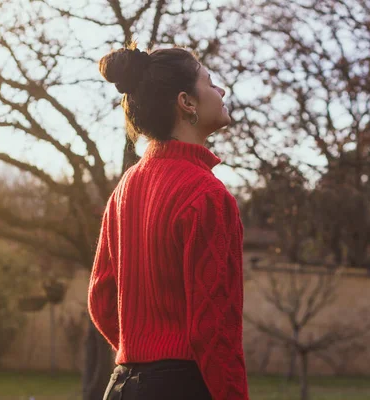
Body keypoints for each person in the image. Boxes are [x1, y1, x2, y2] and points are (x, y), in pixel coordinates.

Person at [88, 43, 249, 400]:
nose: (220, 90)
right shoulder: (208, 196)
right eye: (209, 82)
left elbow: (101, 298)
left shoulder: (124, 189)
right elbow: (215, 329)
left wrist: (143, 353)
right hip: (181, 387)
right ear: (186, 102)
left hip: (121, 387)